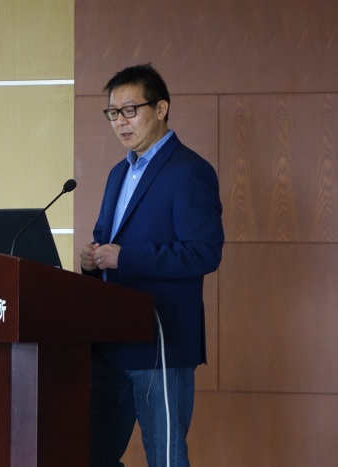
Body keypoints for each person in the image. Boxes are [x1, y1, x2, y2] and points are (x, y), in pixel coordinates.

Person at [80, 63, 224, 467]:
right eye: (113, 113)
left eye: (130, 110)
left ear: (161, 108)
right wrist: (92, 259)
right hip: (110, 339)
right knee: (90, 453)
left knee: (165, 457)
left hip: (161, 341)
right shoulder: (118, 173)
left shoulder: (190, 171)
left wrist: (125, 257)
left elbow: (203, 252)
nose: (120, 122)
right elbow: (106, 238)